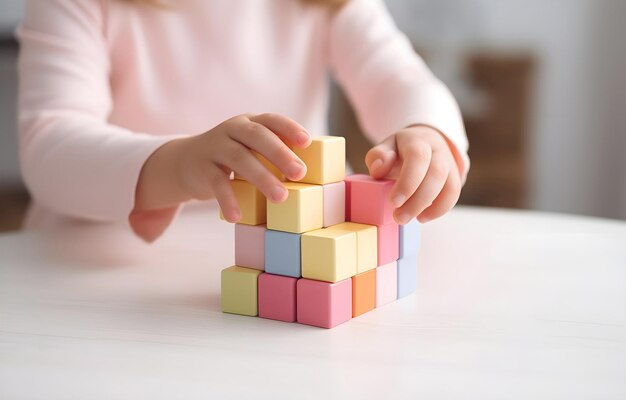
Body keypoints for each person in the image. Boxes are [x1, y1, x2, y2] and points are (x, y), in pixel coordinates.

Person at [17, 0, 469, 243]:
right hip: (87, 271)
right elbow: (50, 146)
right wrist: (175, 165)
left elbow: (401, 80)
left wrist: (428, 132)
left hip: (290, 255)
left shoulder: (327, 4)